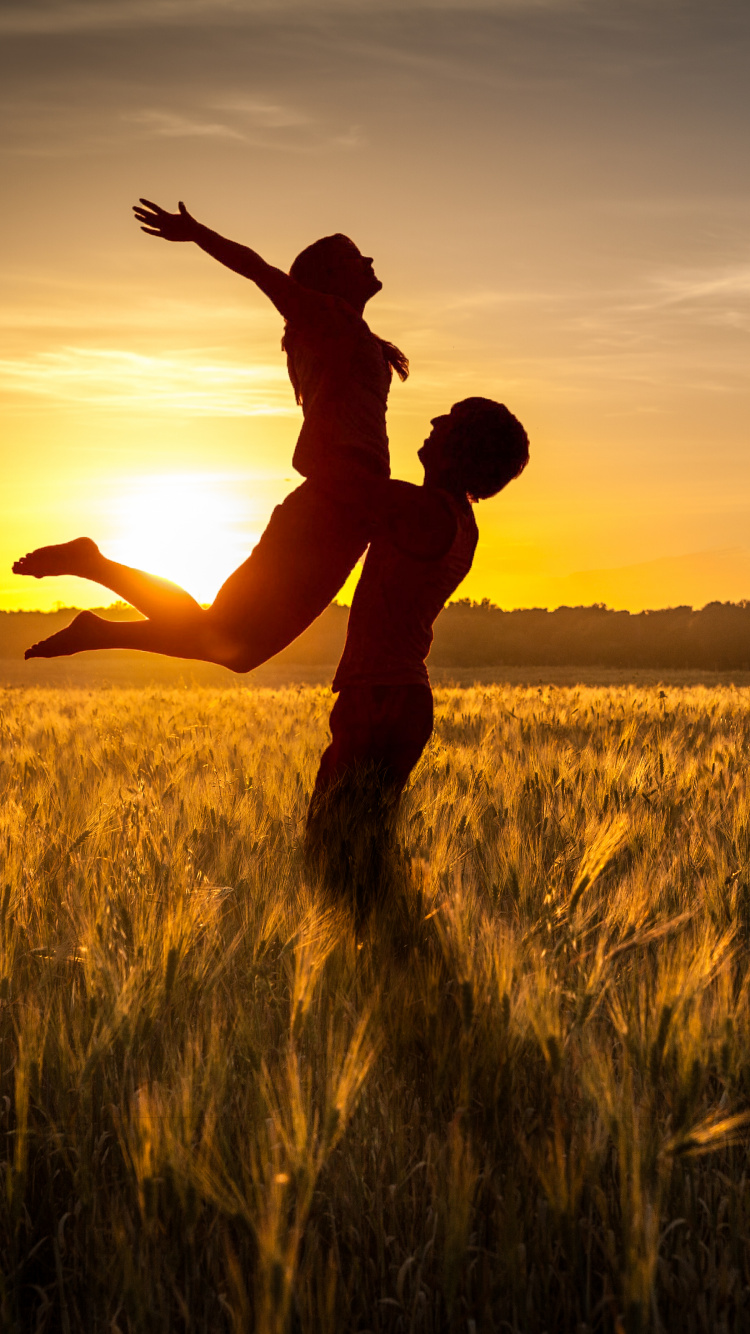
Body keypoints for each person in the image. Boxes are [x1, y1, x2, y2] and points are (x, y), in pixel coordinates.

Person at [14, 199, 407, 668]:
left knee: (239, 650)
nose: (369, 261)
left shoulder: (348, 333)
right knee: (227, 637)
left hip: (352, 506)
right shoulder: (322, 318)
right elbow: (259, 270)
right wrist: (198, 233)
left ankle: (96, 619)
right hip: (332, 502)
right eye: (354, 257)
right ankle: (92, 567)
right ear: (329, 278)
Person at [305, 397, 529, 911]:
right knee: (354, 849)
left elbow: (334, 478)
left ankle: (375, 957)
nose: (433, 421)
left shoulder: (425, 512)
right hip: (393, 695)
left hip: (381, 698)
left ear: (461, 447)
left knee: (335, 850)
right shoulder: (452, 518)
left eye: (449, 420)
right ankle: (385, 952)